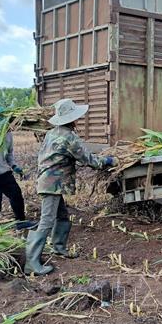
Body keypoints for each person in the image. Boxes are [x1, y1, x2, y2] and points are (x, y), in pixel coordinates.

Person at [24, 99, 117, 275]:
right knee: (46, 220)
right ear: (71, 119)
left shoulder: (51, 133)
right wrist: (108, 161)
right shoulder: (69, 137)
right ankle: (32, 263)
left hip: (48, 180)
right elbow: (89, 160)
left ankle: (59, 248)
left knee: (62, 216)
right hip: (52, 183)